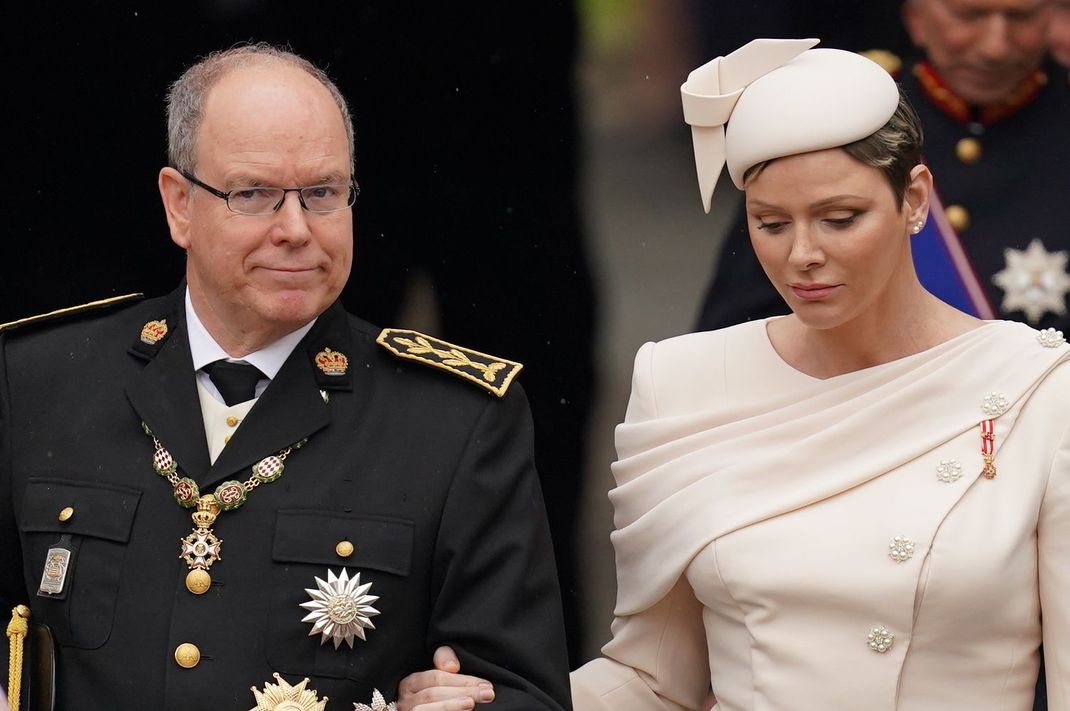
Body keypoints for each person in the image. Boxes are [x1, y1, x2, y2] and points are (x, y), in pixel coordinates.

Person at [397, 39, 1070, 710]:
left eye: (841, 218)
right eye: (770, 223)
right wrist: (501, 703)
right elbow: (655, 678)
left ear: (915, 198)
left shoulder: (1039, 386)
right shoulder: (680, 380)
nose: (802, 254)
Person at [0, 44, 571, 710]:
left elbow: (525, 693)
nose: (296, 229)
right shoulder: (38, 381)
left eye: (323, 193)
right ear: (179, 204)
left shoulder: (456, 421)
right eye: (255, 195)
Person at [696, 0, 1070, 335]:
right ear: (915, 15)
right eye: (968, 16)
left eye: (1021, 17)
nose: (995, 47)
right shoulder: (834, 112)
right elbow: (737, 334)